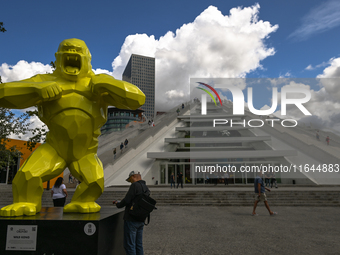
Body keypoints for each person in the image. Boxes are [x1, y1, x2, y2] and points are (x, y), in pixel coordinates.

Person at [113, 171, 149, 255]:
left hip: (131, 219)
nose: (130, 182)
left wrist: (118, 204)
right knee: (138, 245)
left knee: (130, 245)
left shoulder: (135, 185)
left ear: (133, 176)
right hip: (141, 219)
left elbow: (127, 200)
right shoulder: (145, 187)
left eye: (130, 180)